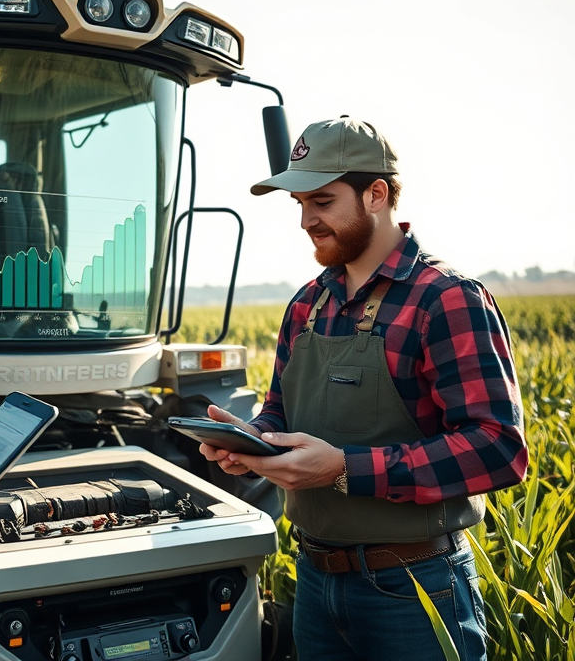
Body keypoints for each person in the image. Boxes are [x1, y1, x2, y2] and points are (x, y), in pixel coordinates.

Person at [199, 117, 527, 660]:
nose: (306, 220)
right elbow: (281, 407)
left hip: (416, 587)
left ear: (376, 194)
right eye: (300, 204)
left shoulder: (446, 299)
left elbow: (498, 449)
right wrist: (253, 440)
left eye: (322, 202)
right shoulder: (307, 303)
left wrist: (344, 468)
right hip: (315, 579)